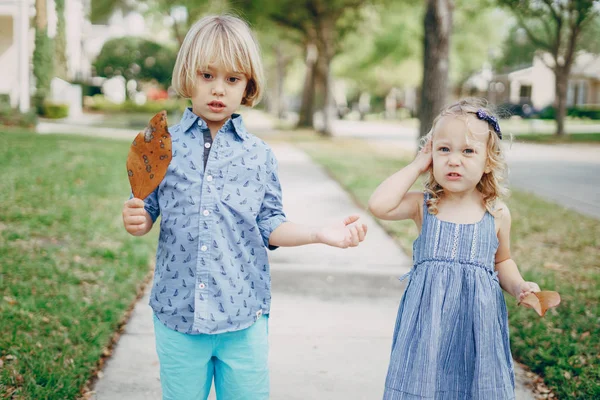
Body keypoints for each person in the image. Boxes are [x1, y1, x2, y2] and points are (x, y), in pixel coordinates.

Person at [121, 14, 367, 400]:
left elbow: (270, 223)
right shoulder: (161, 144)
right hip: (177, 314)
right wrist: (137, 218)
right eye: (207, 75)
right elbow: (146, 209)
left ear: (248, 85)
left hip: (242, 315)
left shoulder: (259, 156)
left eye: (233, 79)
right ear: (189, 75)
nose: (218, 89)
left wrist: (319, 234)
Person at [368, 98, 540, 399]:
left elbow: (503, 261)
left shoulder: (496, 212)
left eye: (468, 151)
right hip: (427, 326)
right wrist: (418, 163)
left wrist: (519, 287)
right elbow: (379, 205)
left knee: (473, 387)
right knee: (424, 385)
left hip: (478, 327)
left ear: (489, 160)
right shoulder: (424, 205)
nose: (454, 160)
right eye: (443, 149)